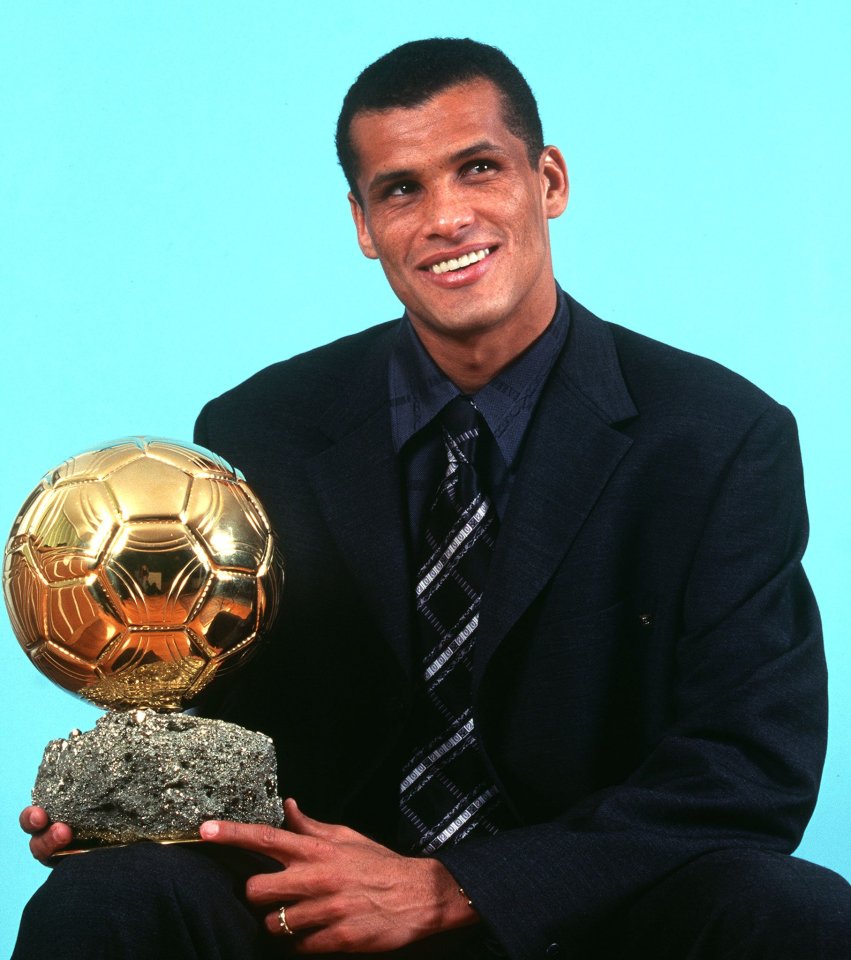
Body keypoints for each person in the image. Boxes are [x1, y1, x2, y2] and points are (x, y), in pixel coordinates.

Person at [15, 37, 851, 959]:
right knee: (107, 900)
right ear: (363, 223)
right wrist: (129, 804)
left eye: (479, 169)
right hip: (317, 912)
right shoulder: (263, 428)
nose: (445, 217)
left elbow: (748, 771)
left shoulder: (717, 437)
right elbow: (227, 722)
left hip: (588, 915)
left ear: (550, 181)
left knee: (797, 915)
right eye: (401, 189)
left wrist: (458, 889)